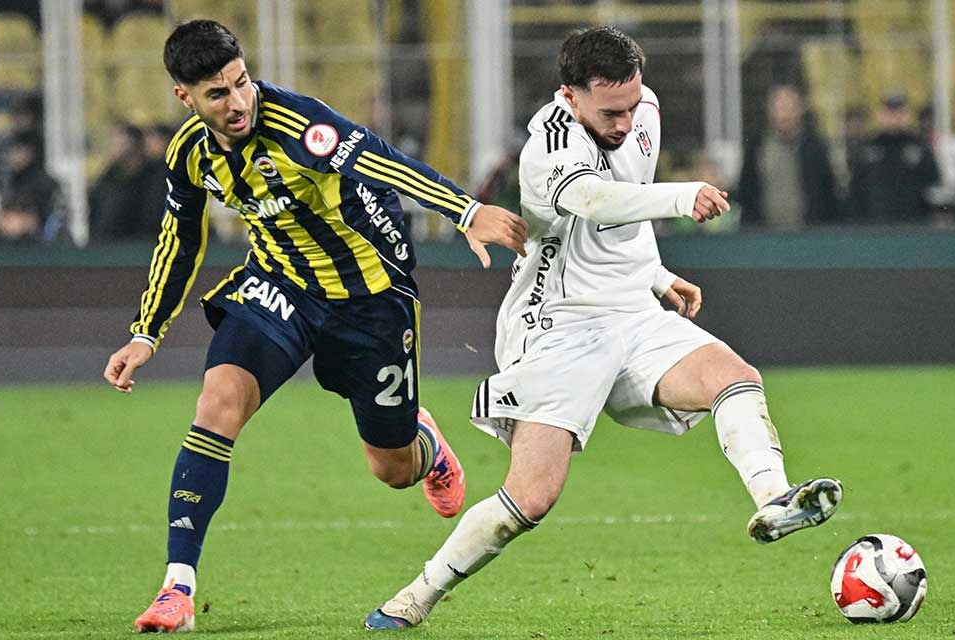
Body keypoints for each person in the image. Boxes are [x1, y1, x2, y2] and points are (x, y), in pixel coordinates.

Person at [363, 27, 843, 630]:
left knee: (734, 377)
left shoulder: (644, 111)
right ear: (570, 95)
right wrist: (682, 197)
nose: (626, 122)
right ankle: (418, 594)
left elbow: (624, 214)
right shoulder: (547, 144)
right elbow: (594, 201)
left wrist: (655, 275)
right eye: (610, 112)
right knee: (531, 498)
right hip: (558, 327)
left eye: (632, 105)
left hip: (632, 312)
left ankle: (774, 498)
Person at [104, 20, 528, 633]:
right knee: (217, 403)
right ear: (185, 98)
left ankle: (426, 445)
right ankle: (177, 587)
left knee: (392, 469)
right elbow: (180, 239)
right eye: (217, 93)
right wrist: (146, 332)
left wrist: (465, 211)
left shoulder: (300, 124)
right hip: (281, 284)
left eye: (241, 82)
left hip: (370, 298)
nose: (238, 101)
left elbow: (382, 162)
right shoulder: (189, 154)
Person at [736, 84, 841, 229]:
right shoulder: (758, 147)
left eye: (788, 107)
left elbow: (827, 192)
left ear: (800, 109)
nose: (783, 114)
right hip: (764, 234)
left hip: (809, 233)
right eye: (778, 107)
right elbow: (746, 191)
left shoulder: (815, 148)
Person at [848, 92, 941, 224]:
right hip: (875, 227)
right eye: (890, 112)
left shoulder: (920, 149)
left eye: (900, 112)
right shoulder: (867, 150)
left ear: (908, 115)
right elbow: (855, 192)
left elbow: (934, 188)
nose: (895, 117)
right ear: (880, 115)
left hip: (914, 227)